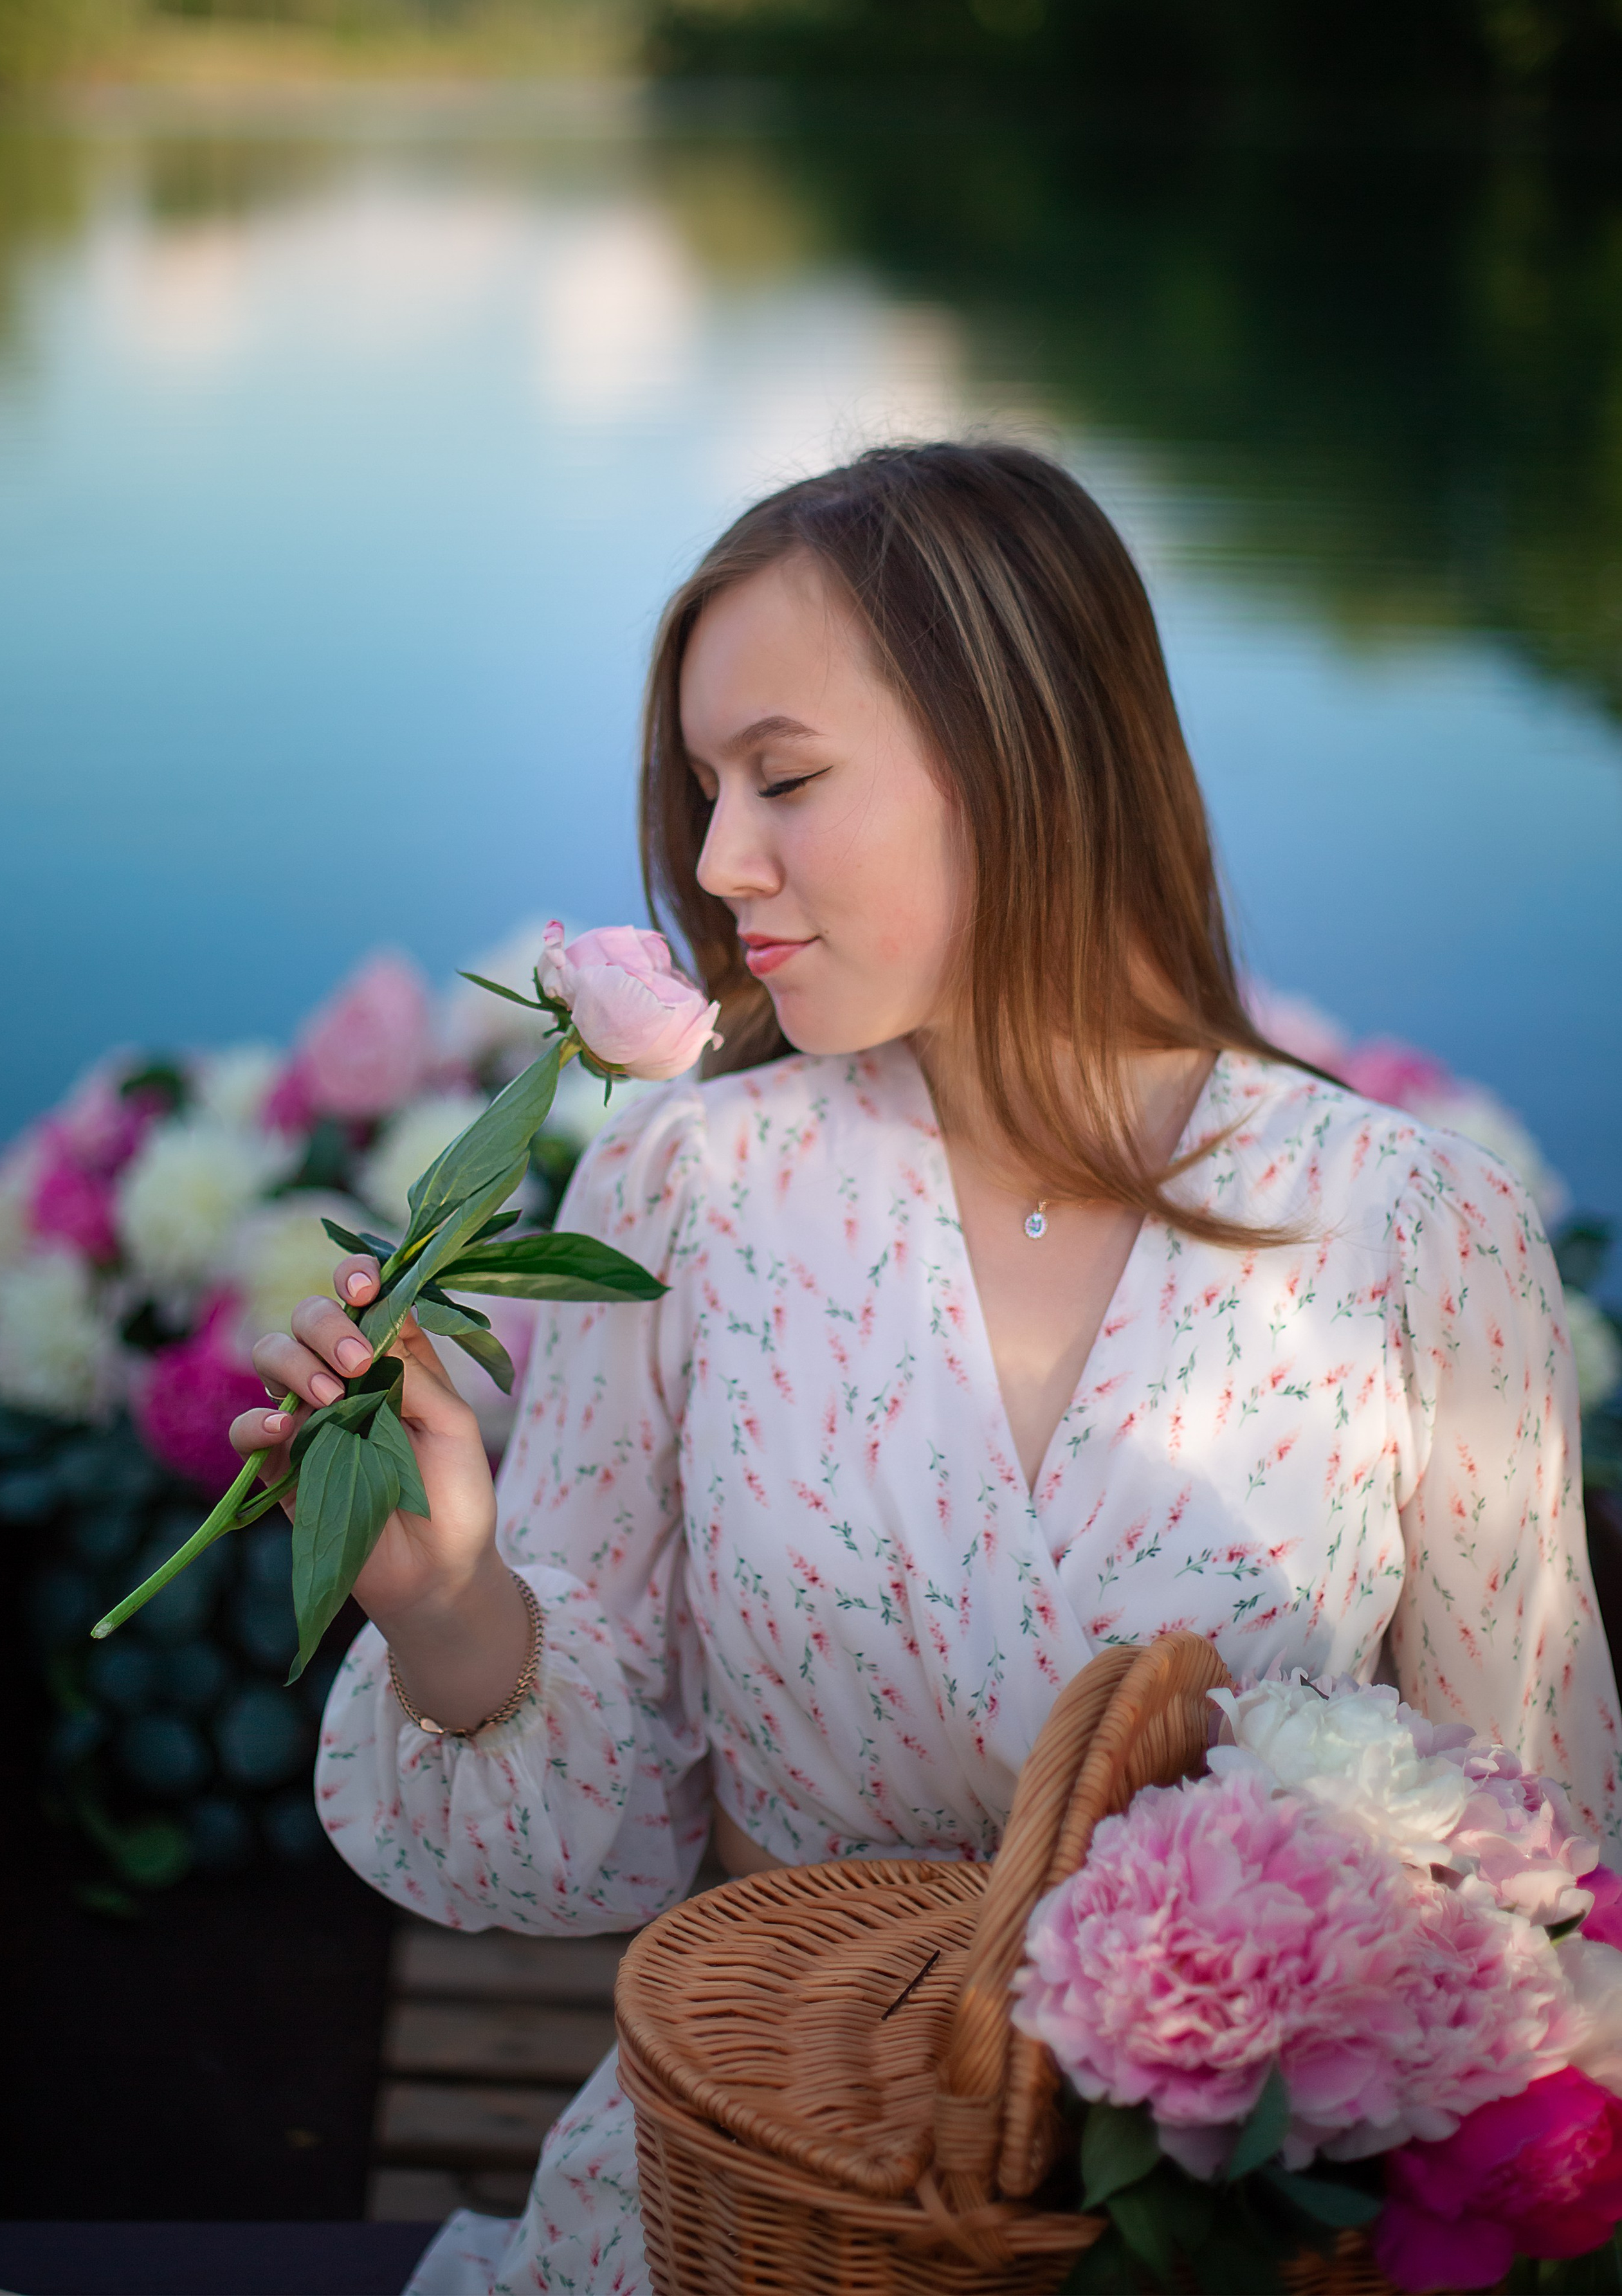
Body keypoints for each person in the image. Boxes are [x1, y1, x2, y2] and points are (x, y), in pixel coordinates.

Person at [233, 442, 1622, 2296]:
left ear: (1023, 754)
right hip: (761, 2214)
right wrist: (447, 1595)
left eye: (786, 780)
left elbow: (1546, 1884)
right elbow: (586, 1851)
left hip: (1235, 2252)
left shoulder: (1415, 1234)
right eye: (706, 788)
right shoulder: (685, 1188)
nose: (719, 863)